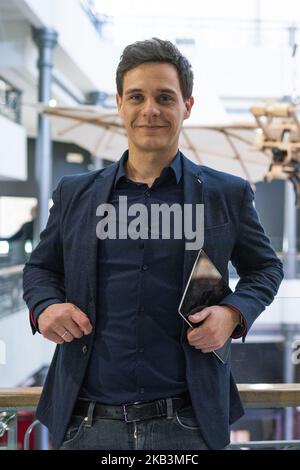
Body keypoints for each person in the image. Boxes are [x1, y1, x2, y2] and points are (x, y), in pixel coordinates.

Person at [23, 38, 283, 450]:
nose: (150, 110)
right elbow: (41, 269)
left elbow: (266, 268)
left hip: (187, 422)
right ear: (120, 104)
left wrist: (233, 313)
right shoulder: (76, 193)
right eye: (137, 97)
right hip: (88, 422)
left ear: (187, 106)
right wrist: (46, 306)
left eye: (165, 97)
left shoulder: (225, 194)